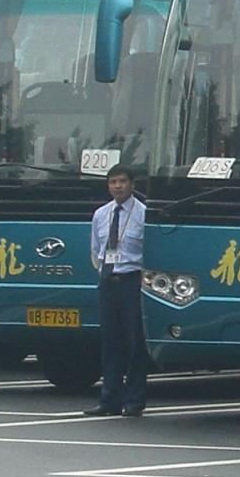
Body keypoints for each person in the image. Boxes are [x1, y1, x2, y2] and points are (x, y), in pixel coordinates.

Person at [85, 165, 149, 417]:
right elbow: (95, 250)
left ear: (132, 184)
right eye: (113, 182)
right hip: (108, 281)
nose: (118, 186)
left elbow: (147, 253)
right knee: (110, 343)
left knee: (134, 343)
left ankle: (134, 400)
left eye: (122, 181)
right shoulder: (101, 214)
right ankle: (109, 399)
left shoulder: (143, 213)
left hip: (132, 281)